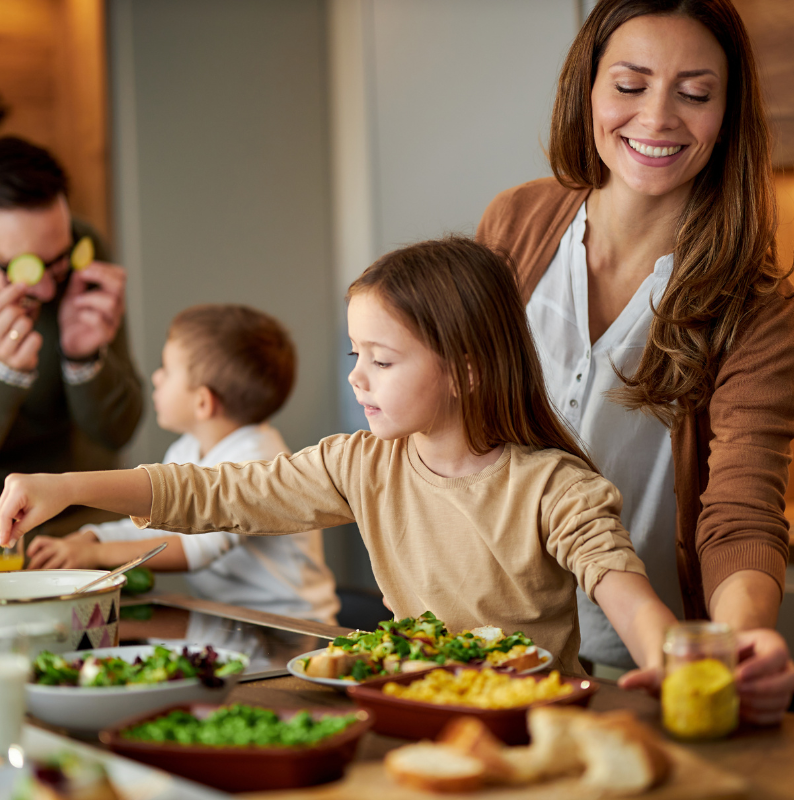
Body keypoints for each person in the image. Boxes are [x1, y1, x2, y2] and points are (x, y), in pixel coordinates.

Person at [0, 237, 679, 676]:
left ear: (466, 371)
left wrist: (670, 665)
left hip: (529, 723)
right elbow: (213, 494)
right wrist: (66, 487)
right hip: (412, 709)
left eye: (381, 360)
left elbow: (624, 591)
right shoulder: (361, 465)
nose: (356, 377)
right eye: (357, 354)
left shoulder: (554, 487)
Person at [476, 0, 794, 723]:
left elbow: (741, 512)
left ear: (728, 113)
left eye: (695, 94)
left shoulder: (756, 305)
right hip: (485, 645)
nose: (657, 119)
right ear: (587, 90)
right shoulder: (514, 224)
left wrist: (740, 642)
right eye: (629, 85)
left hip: (640, 667)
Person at [24, 304, 340, 625]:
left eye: (167, 369)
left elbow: (198, 548)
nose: (156, 377)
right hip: (229, 619)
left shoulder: (258, 459)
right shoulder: (187, 448)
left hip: (291, 624)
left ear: (202, 402)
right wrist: (93, 538)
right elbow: (158, 522)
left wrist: (95, 555)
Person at [0, 136, 143, 531]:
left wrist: (85, 359)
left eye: (58, 263)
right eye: (24, 267)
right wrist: (6, 378)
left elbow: (118, 431)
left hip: (78, 517)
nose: (48, 290)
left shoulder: (85, 249)